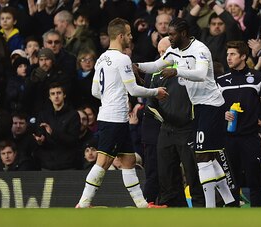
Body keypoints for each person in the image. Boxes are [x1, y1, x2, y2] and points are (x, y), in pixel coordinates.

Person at [135, 17, 234, 208]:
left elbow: (201, 74)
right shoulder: (174, 51)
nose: (169, 38)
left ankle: (209, 208)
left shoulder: (200, 49)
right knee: (209, 158)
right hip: (198, 106)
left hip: (211, 104)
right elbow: (156, 66)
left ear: (183, 34)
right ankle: (229, 202)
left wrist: (177, 71)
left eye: (172, 34)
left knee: (202, 157)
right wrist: (137, 66)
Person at [76, 18, 168, 208]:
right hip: (114, 118)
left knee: (128, 160)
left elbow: (95, 91)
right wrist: (155, 92)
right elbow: (134, 90)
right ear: (120, 36)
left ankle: (142, 205)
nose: (131, 36)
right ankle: (83, 204)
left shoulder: (101, 58)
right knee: (103, 162)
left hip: (112, 115)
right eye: (128, 34)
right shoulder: (122, 58)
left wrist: (111, 95)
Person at [216, 41, 261, 207]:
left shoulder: (257, 77)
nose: (228, 57)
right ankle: (232, 216)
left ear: (243, 56)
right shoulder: (220, 81)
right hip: (228, 138)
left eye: (233, 54)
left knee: (253, 179)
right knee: (231, 181)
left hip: (250, 137)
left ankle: (257, 216)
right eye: (228, 54)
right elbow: (211, 106)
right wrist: (223, 114)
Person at [147, 36, 205, 207]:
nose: (162, 56)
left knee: (192, 171)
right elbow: (151, 105)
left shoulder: (189, 70)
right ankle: (171, 205)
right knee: (165, 171)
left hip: (188, 129)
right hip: (166, 129)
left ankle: (200, 205)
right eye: (159, 53)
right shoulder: (156, 75)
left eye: (165, 52)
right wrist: (166, 120)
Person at [33, 82, 80, 170]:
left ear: (64, 95)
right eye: (53, 94)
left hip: (67, 165)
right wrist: (40, 140)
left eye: (59, 93)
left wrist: (52, 132)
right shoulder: (43, 114)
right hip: (47, 164)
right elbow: (40, 133)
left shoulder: (73, 115)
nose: (56, 96)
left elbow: (73, 140)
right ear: (49, 97)